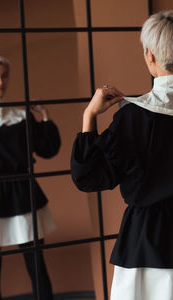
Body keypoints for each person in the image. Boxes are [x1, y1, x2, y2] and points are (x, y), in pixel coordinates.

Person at [71, 10, 173, 300]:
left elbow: (88, 177)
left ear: (150, 55)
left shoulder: (133, 117)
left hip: (147, 242)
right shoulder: (134, 115)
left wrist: (89, 115)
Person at [0, 55, 61, 300]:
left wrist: (45, 117)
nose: (0, 81)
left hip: (22, 191)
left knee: (36, 264)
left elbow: (48, 149)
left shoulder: (21, 116)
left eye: (4, 76)